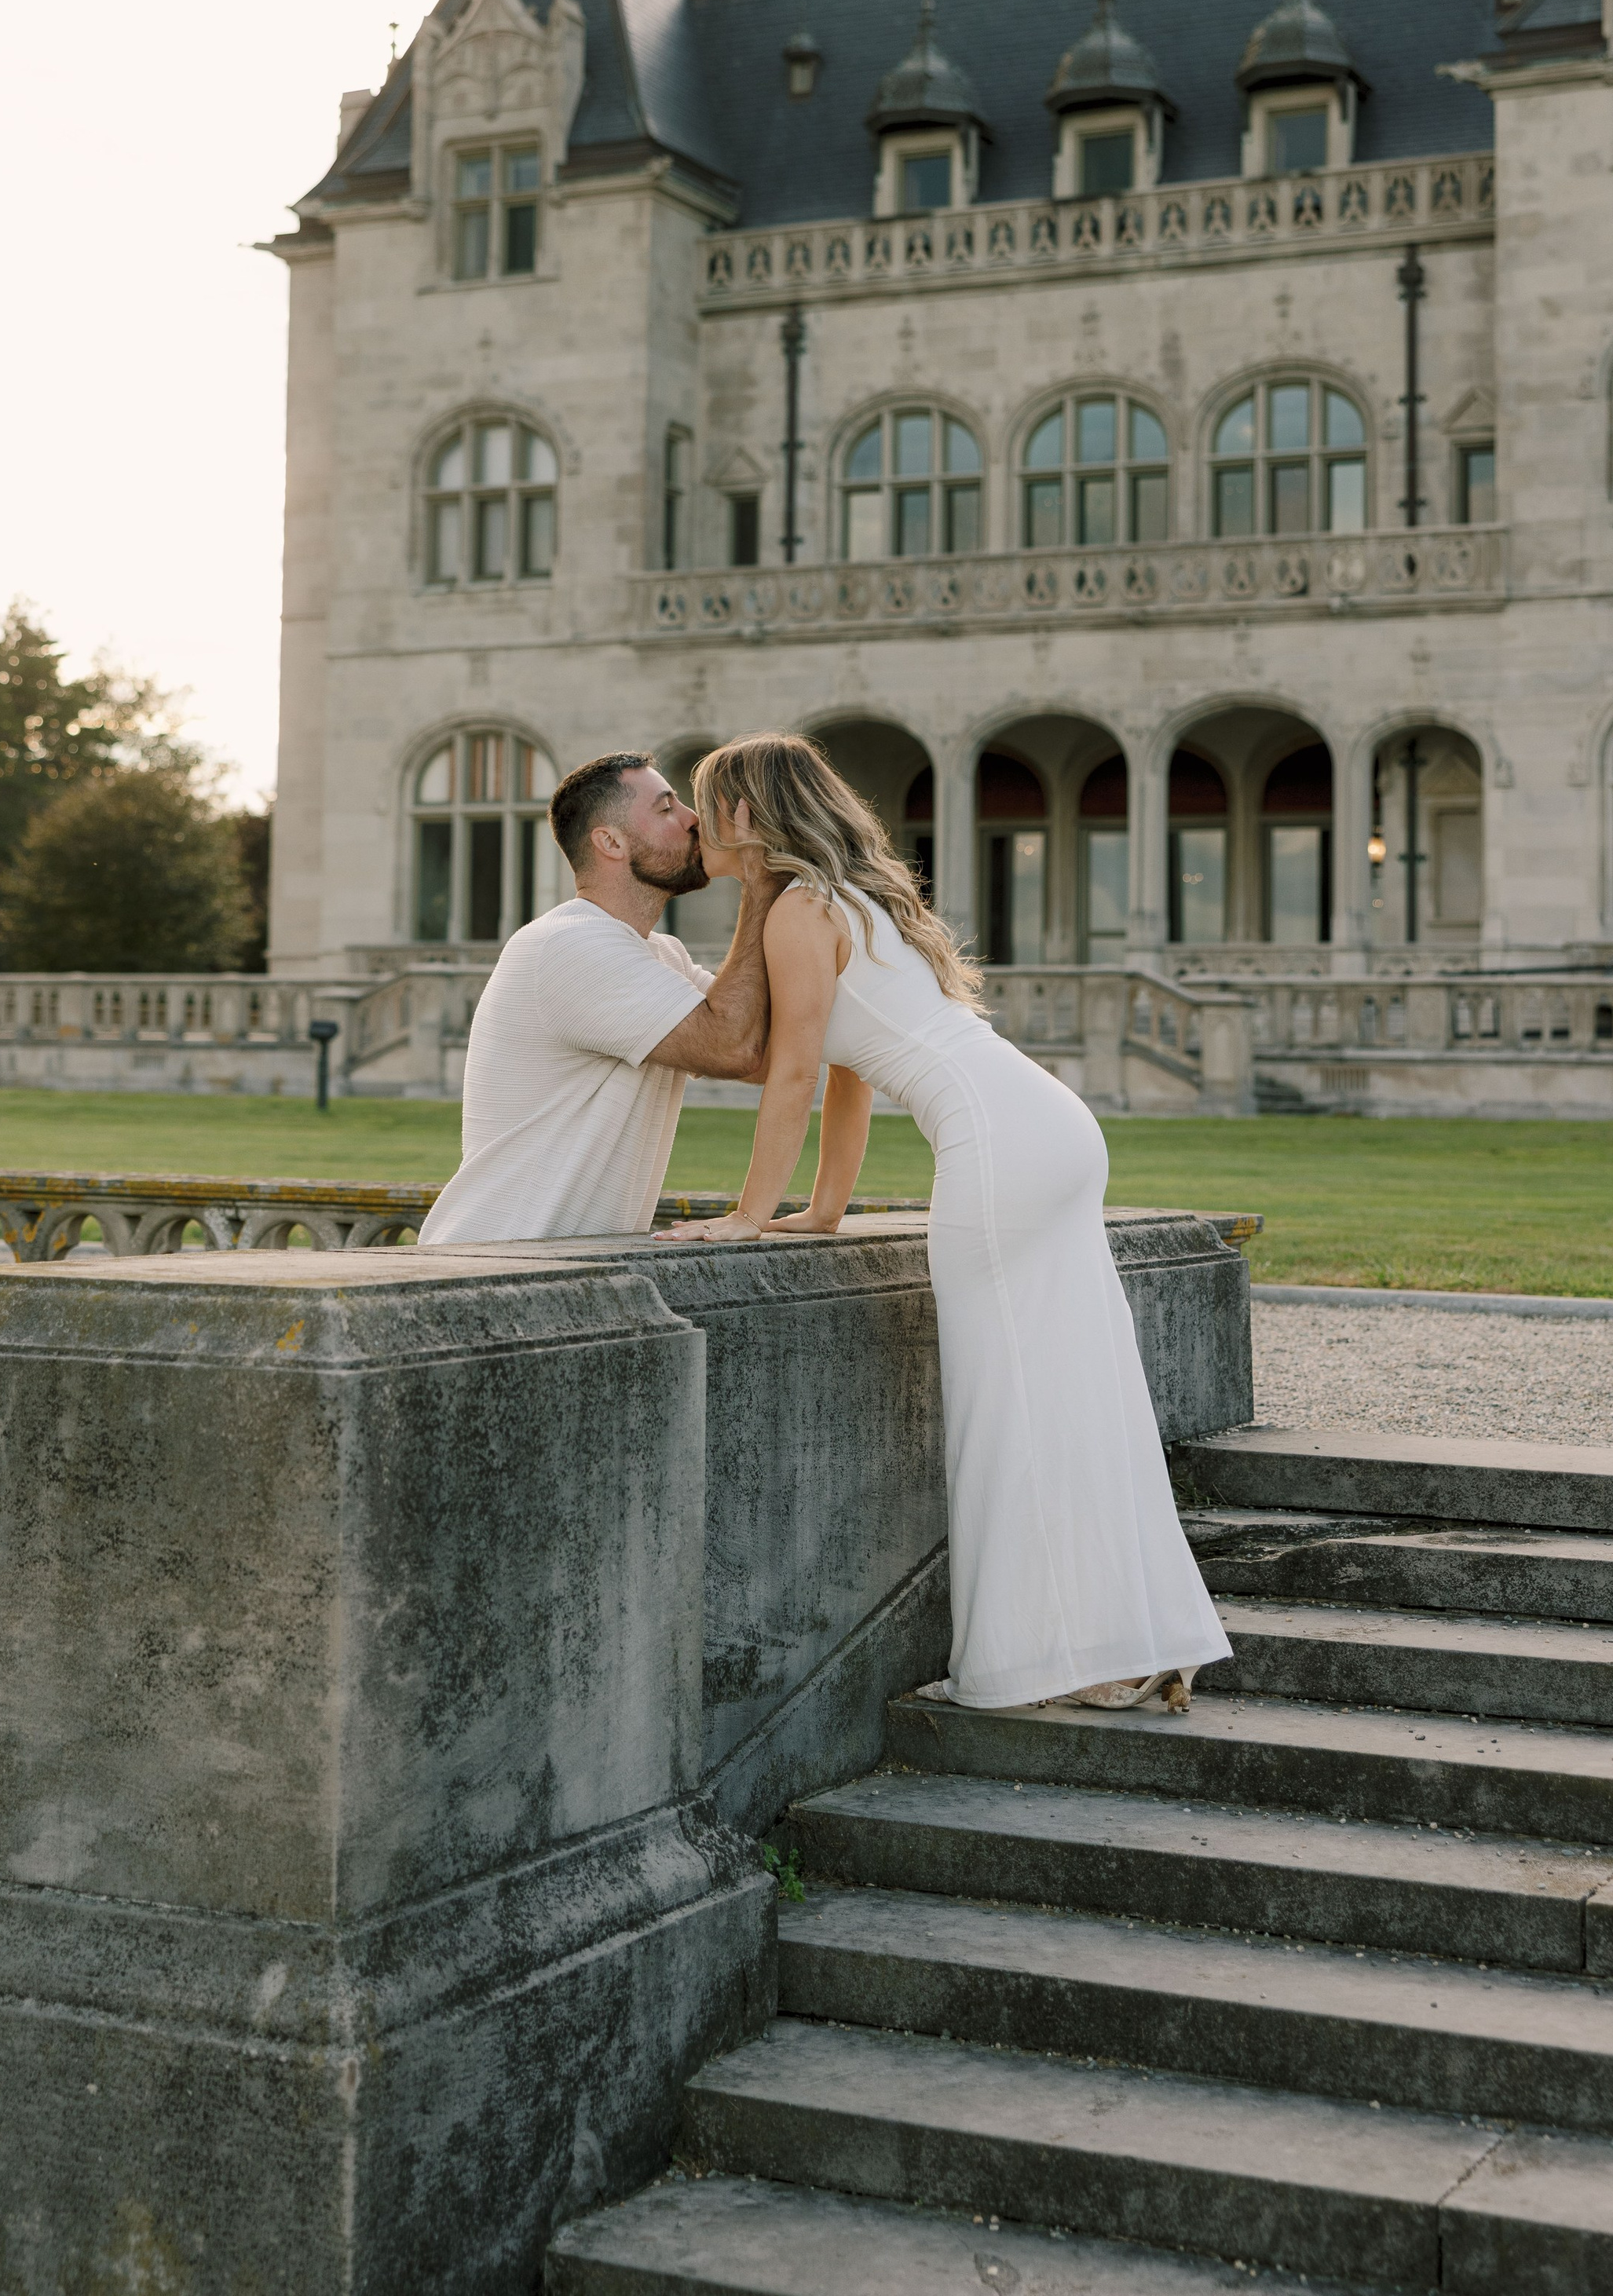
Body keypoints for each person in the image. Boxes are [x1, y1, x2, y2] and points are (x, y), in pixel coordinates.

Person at [667, 732, 1230, 1717]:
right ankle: (1121, 1638)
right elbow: (852, 1072)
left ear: (746, 816)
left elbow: (797, 1067)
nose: (695, 822)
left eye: (706, 804)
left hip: (998, 1145)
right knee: (1071, 1393)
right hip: (1048, 1125)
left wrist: (747, 1215)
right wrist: (823, 1210)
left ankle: (1059, 1657)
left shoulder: (800, 910)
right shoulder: (863, 898)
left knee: (1000, 1404)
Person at [418, 751, 783, 1247]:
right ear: (610, 842)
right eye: (666, 808)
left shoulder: (658, 952)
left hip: (553, 1267)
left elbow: (758, 1058)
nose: (694, 820)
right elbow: (732, 1048)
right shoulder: (572, 946)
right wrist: (760, 885)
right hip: (495, 1264)